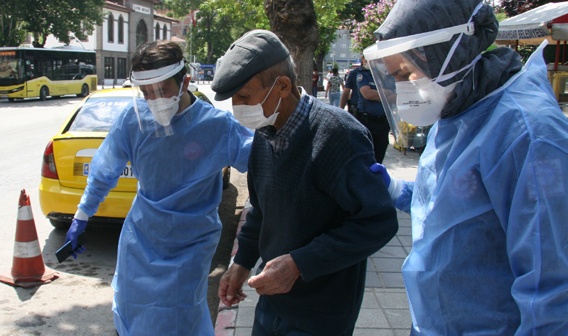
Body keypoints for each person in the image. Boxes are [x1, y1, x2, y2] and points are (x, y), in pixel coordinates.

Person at [364, 0, 568, 334]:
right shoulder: (459, 108)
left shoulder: (528, 135)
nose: (402, 90)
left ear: (448, 52)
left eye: (405, 74)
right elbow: (454, 199)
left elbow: (553, 287)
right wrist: (395, 188)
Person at [211, 29, 398, 335]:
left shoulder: (338, 135)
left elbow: (378, 221)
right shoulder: (264, 133)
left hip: (321, 313)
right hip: (273, 303)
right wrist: (242, 262)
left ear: (282, 86)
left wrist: (300, 264)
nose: (236, 107)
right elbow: (261, 208)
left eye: (244, 96)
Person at [64, 40, 253, 335]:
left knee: (178, 317)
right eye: (146, 93)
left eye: (162, 90)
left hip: (191, 244)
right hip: (141, 238)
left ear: (185, 82)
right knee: (131, 308)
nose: (154, 100)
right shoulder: (133, 120)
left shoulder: (217, 126)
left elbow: (262, 162)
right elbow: (105, 169)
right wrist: (82, 214)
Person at [340, 55, 390, 163]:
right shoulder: (359, 74)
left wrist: (381, 96)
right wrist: (340, 109)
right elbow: (366, 94)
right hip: (363, 115)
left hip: (383, 121)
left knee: (379, 156)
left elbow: (395, 95)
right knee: (363, 155)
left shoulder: (384, 75)